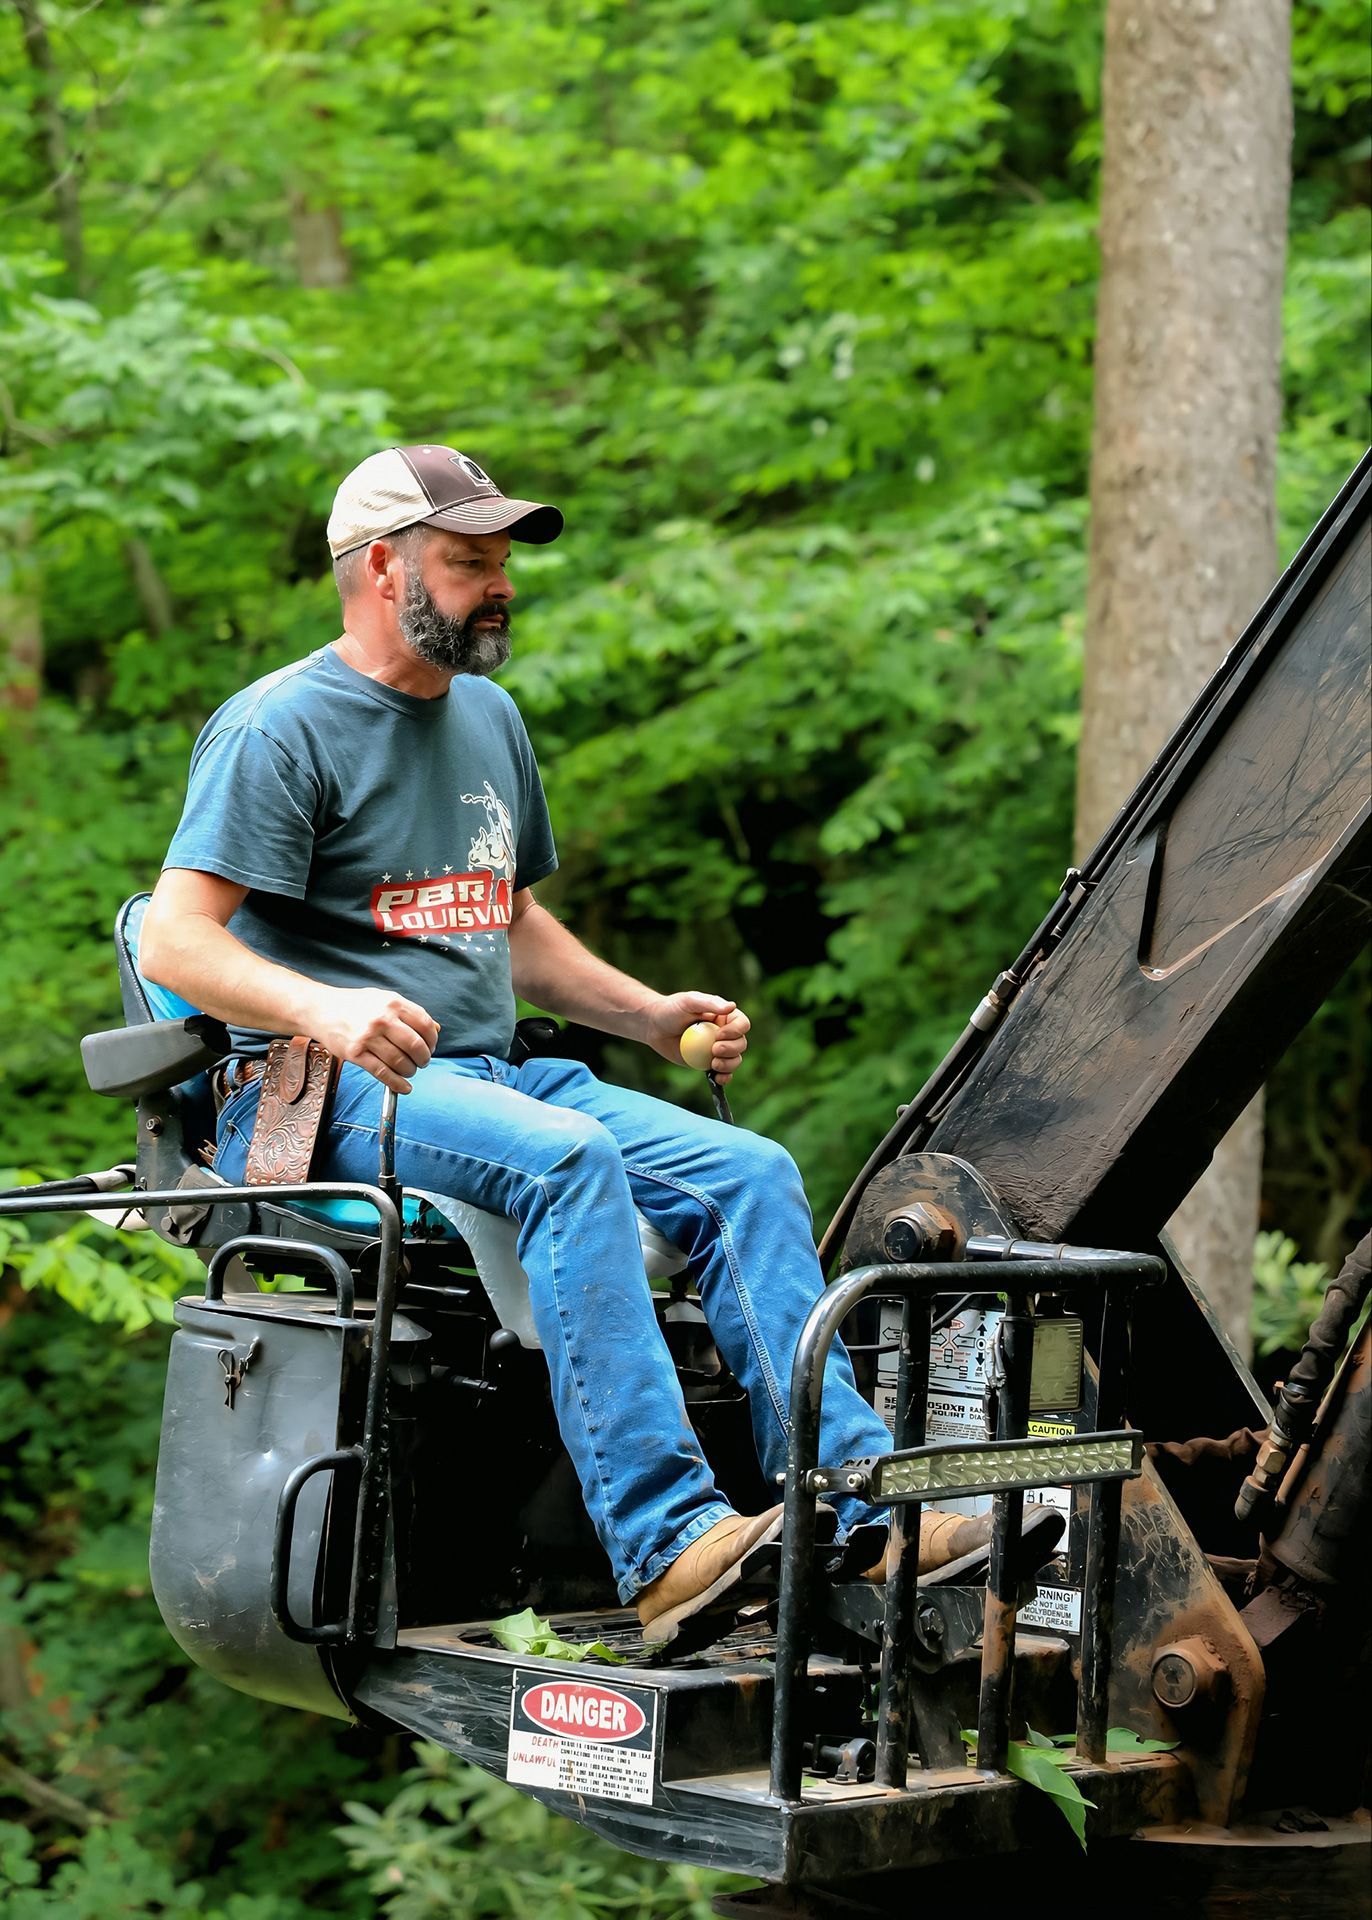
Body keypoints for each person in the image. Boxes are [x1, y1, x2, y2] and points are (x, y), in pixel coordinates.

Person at [141, 444, 1026, 1644]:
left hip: (494, 1074)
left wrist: (648, 1014)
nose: (498, 584)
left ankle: (857, 1512)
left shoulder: (489, 720)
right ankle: (667, 1545)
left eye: (502, 562)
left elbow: (504, 922)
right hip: (321, 1086)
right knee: (567, 1160)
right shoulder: (279, 729)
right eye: (468, 562)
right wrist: (320, 1007)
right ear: (382, 565)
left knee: (749, 1171)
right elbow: (178, 943)